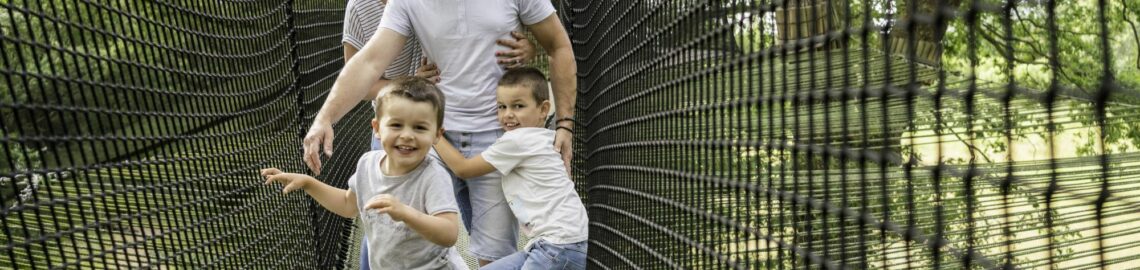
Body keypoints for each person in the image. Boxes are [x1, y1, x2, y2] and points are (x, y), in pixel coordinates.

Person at [306, 0, 577, 265]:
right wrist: (325, 118)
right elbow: (369, 62)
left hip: (496, 139)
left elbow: (558, 44)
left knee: (497, 256)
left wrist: (565, 123)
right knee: (393, 233)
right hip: (430, 140)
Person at [264, 77, 466, 269]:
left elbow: (449, 233)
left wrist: (406, 213)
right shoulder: (367, 164)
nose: (407, 135)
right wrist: (308, 183)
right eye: (396, 125)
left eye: (420, 128)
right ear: (377, 128)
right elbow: (347, 205)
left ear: (437, 134)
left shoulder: (433, 176)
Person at [434, 68, 588, 270]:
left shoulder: (517, 140)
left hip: (558, 246)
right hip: (557, 244)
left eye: (518, 106)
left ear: (543, 109)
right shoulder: (545, 137)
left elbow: (463, 169)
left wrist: (433, 135)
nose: (508, 114)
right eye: (501, 107)